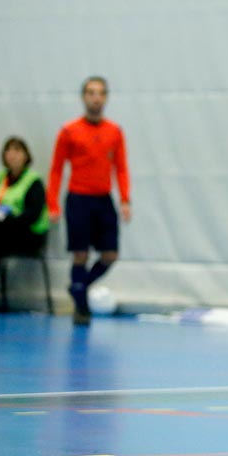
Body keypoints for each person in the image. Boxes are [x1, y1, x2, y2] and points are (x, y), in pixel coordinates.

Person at [47, 76, 131, 326]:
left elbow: (121, 168)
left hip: (103, 199)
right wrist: (53, 203)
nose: (96, 98)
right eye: (91, 93)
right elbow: (56, 169)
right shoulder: (69, 131)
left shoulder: (114, 132)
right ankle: (81, 309)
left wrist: (125, 199)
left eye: (101, 93)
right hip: (79, 199)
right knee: (81, 255)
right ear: (84, 97)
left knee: (110, 254)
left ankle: (79, 286)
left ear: (106, 98)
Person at [0, 138, 50, 312]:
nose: (13, 155)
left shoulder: (34, 181)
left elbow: (32, 215)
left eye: (17, 150)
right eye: (9, 150)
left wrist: (6, 220)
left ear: (26, 155)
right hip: (0, 233)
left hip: (28, 235)